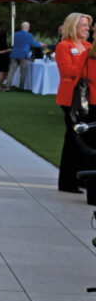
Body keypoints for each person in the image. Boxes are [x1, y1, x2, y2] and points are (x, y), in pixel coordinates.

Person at [54, 12, 93, 193]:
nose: (87, 28)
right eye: (83, 25)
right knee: (73, 138)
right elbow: (67, 71)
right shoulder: (64, 46)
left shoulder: (87, 45)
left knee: (85, 138)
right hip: (70, 98)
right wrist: (85, 61)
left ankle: (82, 177)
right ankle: (67, 182)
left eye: (87, 25)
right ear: (73, 26)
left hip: (86, 99)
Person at [9, 22, 44, 90]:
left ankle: (7, 86)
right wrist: (41, 44)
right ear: (27, 27)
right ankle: (21, 87)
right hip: (24, 55)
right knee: (23, 72)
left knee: (11, 71)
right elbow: (33, 43)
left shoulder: (16, 34)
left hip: (14, 54)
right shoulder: (29, 35)